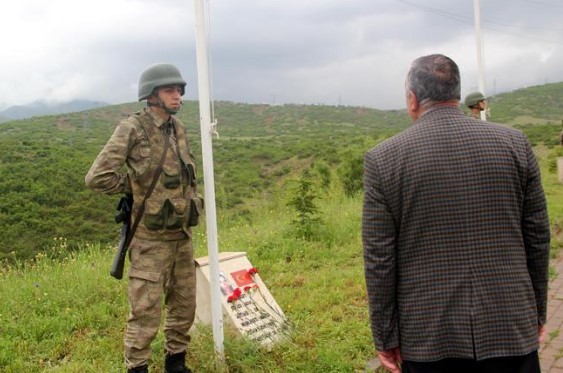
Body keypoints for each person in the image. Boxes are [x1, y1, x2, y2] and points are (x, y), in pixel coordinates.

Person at [362, 54, 550, 373]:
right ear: (457, 94)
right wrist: (537, 312)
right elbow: (538, 237)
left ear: (412, 99)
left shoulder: (383, 160)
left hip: (427, 336)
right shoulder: (515, 143)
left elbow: (380, 258)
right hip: (509, 324)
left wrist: (385, 335)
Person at [85, 63, 202, 373]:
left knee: (184, 305)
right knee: (145, 312)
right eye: (169, 90)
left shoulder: (178, 129)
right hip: (150, 242)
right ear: (151, 96)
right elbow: (97, 177)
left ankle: (176, 362)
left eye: (179, 90)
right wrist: (135, 186)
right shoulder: (132, 128)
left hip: (182, 237)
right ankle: (137, 367)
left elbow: (186, 179)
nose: (177, 95)